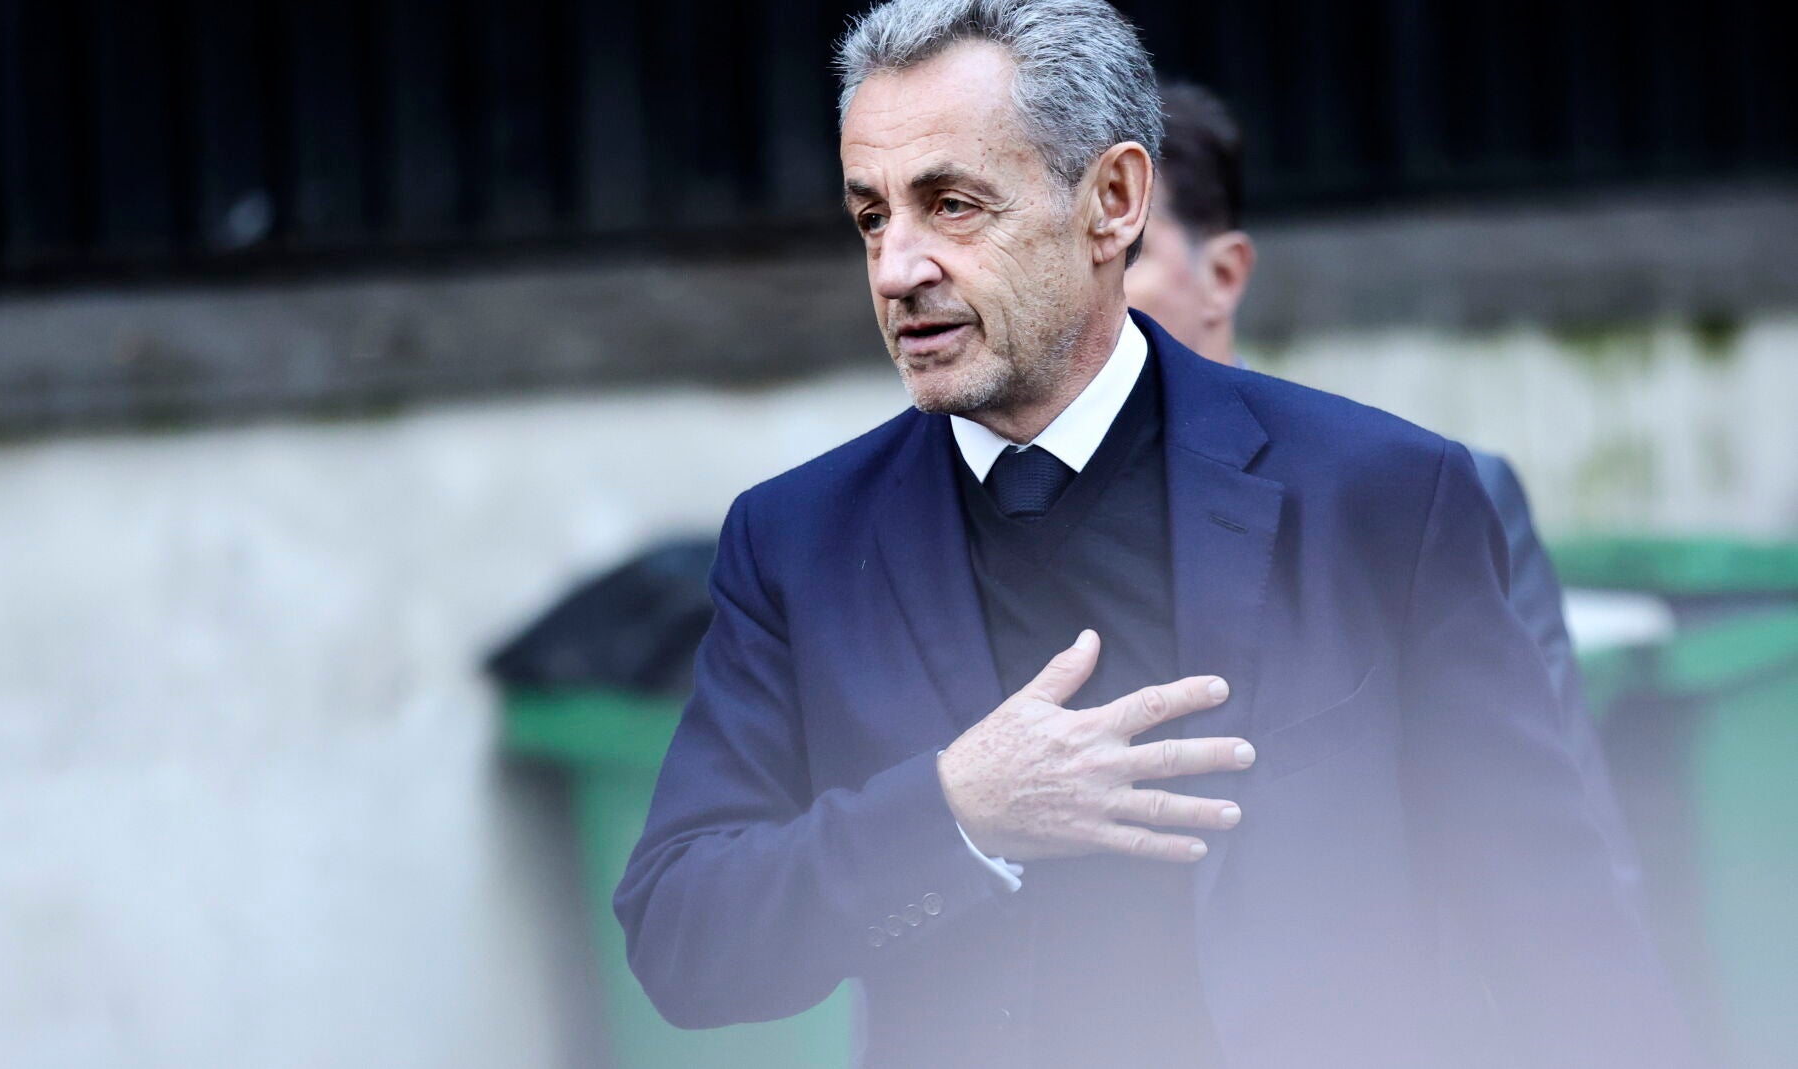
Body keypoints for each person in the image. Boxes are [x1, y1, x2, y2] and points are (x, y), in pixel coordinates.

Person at [615, 2, 1688, 1066]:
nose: (897, 268)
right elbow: (680, 935)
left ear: (1113, 201)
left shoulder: (1380, 497)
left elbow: (1561, 930)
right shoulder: (796, 541)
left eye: (951, 205)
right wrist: (953, 811)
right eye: (871, 216)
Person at [1124, 82, 1641, 894]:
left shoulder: (1413, 500)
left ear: (1222, 274)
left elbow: (1562, 854)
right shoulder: (1012, 512)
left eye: (1128, 251)